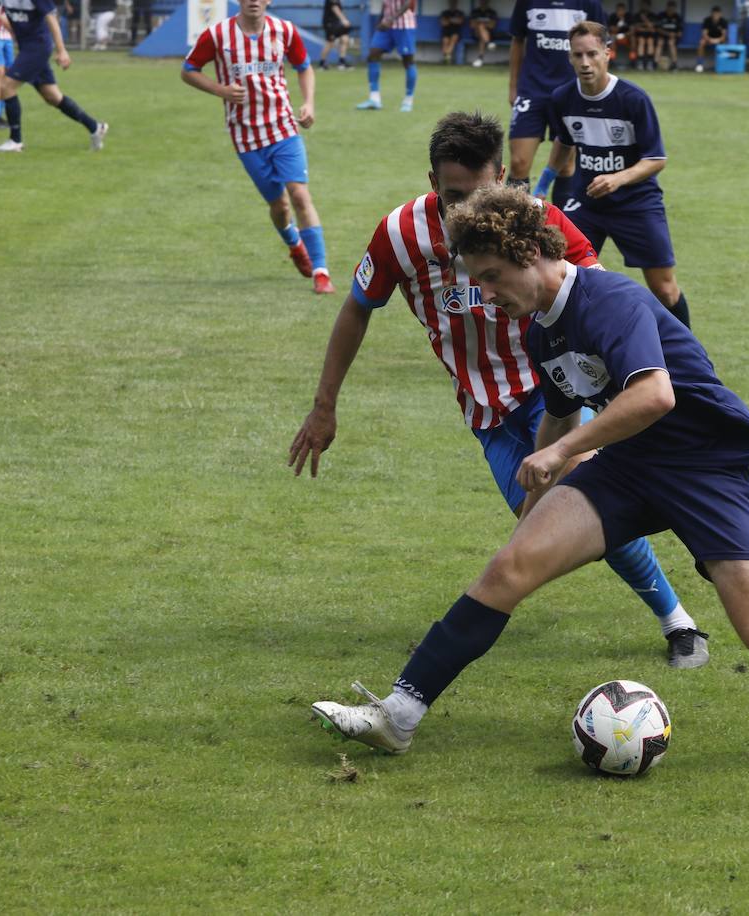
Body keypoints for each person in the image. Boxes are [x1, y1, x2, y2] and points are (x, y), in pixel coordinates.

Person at [310, 185, 749, 765]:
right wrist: (533, 509)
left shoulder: (611, 299)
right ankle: (399, 715)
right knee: (509, 569)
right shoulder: (538, 327)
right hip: (630, 466)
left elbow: (655, 396)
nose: (488, 293)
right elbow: (556, 412)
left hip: (705, 468)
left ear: (529, 253)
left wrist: (559, 455)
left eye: (493, 277)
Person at [287, 111, 710, 670]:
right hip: (485, 410)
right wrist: (324, 407)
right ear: (433, 181)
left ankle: (678, 622)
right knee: (538, 525)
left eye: (479, 193)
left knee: (582, 497)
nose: (466, 211)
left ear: (503, 178)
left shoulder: (534, 221)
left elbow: (597, 289)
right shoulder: (400, 234)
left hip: (551, 389)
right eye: (453, 195)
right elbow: (357, 309)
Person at [181, 0, 333, 295]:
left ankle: (321, 271)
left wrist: (309, 102)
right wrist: (220, 90)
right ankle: (293, 243)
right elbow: (188, 70)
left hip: (283, 127)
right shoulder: (218, 35)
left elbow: (304, 67)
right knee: (279, 206)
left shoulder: (284, 31)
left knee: (300, 195)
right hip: (245, 135)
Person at [548, 20, 692, 327]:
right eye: (577, 55)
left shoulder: (633, 99)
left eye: (592, 54)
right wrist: (544, 182)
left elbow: (656, 159)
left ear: (607, 53)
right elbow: (564, 143)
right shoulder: (562, 98)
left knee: (665, 290)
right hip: (588, 204)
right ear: (570, 58)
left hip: (637, 203)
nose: (585, 63)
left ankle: (688, 361)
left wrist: (618, 178)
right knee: (564, 283)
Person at [507, 0, 604, 203]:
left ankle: (561, 229)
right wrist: (513, 86)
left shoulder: (590, 3)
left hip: (572, 93)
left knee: (567, 166)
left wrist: (594, 90)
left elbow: (601, 48)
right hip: (531, 90)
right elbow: (517, 41)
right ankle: (514, 230)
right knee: (519, 162)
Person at [0, 0, 107, 153]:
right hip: (27, 47)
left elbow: (51, 18)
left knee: (6, 86)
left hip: (38, 47)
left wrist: (61, 50)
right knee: (53, 97)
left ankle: (15, 140)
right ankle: (95, 127)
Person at [356, 0, 417, 111]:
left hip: (404, 26)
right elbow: (386, 4)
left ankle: (408, 100)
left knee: (408, 61)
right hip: (386, 25)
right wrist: (380, 20)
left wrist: (391, 19)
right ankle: (374, 99)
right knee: (373, 54)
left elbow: (408, 2)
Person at [317, 0, 351, 69]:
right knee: (330, 43)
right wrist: (344, 19)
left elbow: (339, 9)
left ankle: (342, 62)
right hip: (330, 23)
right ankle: (322, 63)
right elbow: (335, 8)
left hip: (337, 23)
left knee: (345, 39)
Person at [693, 4, 724, 71]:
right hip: (708, 40)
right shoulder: (707, 20)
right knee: (701, 42)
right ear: (712, 13)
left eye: (717, 13)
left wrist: (717, 40)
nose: (716, 15)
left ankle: (721, 65)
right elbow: (704, 34)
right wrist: (710, 40)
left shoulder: (723, 21)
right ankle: (700, 64)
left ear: (720, 14)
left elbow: (724, 36)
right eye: (714, 13)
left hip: (719, 40)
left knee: (725, 44)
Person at [655, 0, 680, 70]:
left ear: (675, 8)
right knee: (660, 42)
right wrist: (668, 34)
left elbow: (680, 33)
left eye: (672, 8)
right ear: (667, 8)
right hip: (662, 36)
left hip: (673, 38)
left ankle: (674, 64)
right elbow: (658, 29)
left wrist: (673, 35)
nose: (671, 10)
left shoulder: (677, 17)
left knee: (671, 43)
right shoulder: (661, 15)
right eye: (669, 8)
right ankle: (655, 63)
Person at [469, 0, 495, 65]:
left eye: (485, 1)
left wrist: (479, 23)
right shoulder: (475, 12)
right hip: (476, 33)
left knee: (482, 38)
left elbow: (492, 25)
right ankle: (488, 43)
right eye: (482, 0)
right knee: (481, 27)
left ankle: (480, 58)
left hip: (489, 34)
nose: (483, 2)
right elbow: (472, 25)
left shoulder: (491, 12)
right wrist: (485, 24)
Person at [632, 0, 656, 68]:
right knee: (641, 40)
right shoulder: (637, 15)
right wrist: (646, 28)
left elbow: (653, 29)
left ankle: (650, 62)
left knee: (650, 41)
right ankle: (640, 62)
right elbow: (636, 28)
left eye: (646, 5)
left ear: (649, 6)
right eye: (643, 5)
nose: (644, 7)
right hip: (640, 35)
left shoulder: (652, 15)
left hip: (650, 35)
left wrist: (645, 19)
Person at [606, 1, 630, 67]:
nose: (621, 12)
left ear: (625, 10)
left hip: (627, 36)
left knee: (633, 38)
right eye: (619, 10)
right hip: (615, 36)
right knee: (612, 37)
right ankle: (612, 61)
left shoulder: (628, 16)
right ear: (616, 10)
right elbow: (612, 29)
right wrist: (620, 21)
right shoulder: (613, 16)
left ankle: (633, 60)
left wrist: (625, 34)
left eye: (622, 10)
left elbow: (632, 30)